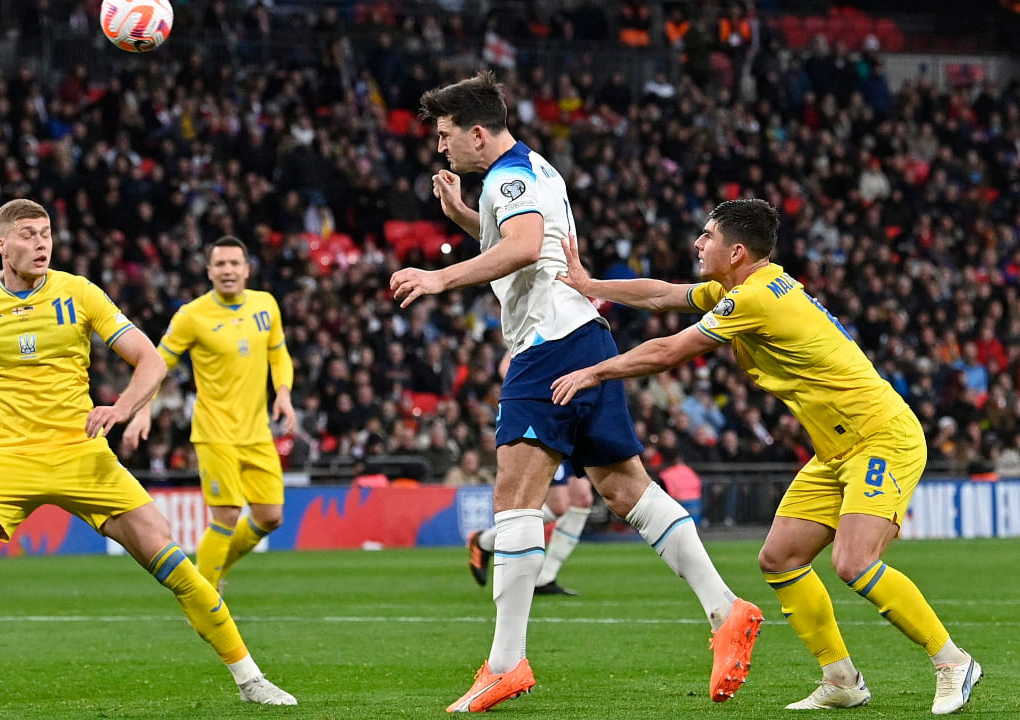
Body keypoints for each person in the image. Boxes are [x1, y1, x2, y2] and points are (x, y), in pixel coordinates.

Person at [389, 71, 761, 713]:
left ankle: (505, 663)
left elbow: (526, 246)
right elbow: (529, 245)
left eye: (448, 136)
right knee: (624, 488)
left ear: (478, 133)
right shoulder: (537, 170)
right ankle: (725, 608)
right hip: (586, 335)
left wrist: (442, 275)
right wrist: (461, 217)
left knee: (515, 499)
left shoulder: (508, 176)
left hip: (548, 347)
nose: (442, 149)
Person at [551, 199, 981, 714]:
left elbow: (669, 351)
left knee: (854, 562)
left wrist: (594, 371)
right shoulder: (740, 288)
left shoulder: (754, 298)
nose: (697, 243)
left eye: (706, 236)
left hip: (881, 436)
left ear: (735, 251)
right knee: (781, 559)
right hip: (836, 448)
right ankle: (841, 679)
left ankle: (952, 661)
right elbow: (664, 295)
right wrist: (590, 285)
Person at [0, 200, 295, 714]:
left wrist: (123, 407)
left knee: (173, 563)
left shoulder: (78, 292)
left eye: (47, 234)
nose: (41, 244)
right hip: (4, 460)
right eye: (28, 235)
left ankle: (251, 679)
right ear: (1, 245)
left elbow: (149, 359)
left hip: (82, 455)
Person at [123, 237, 295, 595]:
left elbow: (278, 353)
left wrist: (283, 393)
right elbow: (157, 363)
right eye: (220, 265)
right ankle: (202, 594)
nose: (228, 270)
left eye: (235, 264)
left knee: (270, 516)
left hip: (257, 431)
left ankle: (209, 572)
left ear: (247, 270)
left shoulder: (266, 305)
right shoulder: (192, 315)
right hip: (215, 432)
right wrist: (142, 412)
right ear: (209, 272)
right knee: (227, 516)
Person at [467, 460, 592, 596]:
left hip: (575, 443)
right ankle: (484, 541)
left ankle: (545, 579)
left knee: (582, 500)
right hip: (555, 441)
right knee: (558, 505)